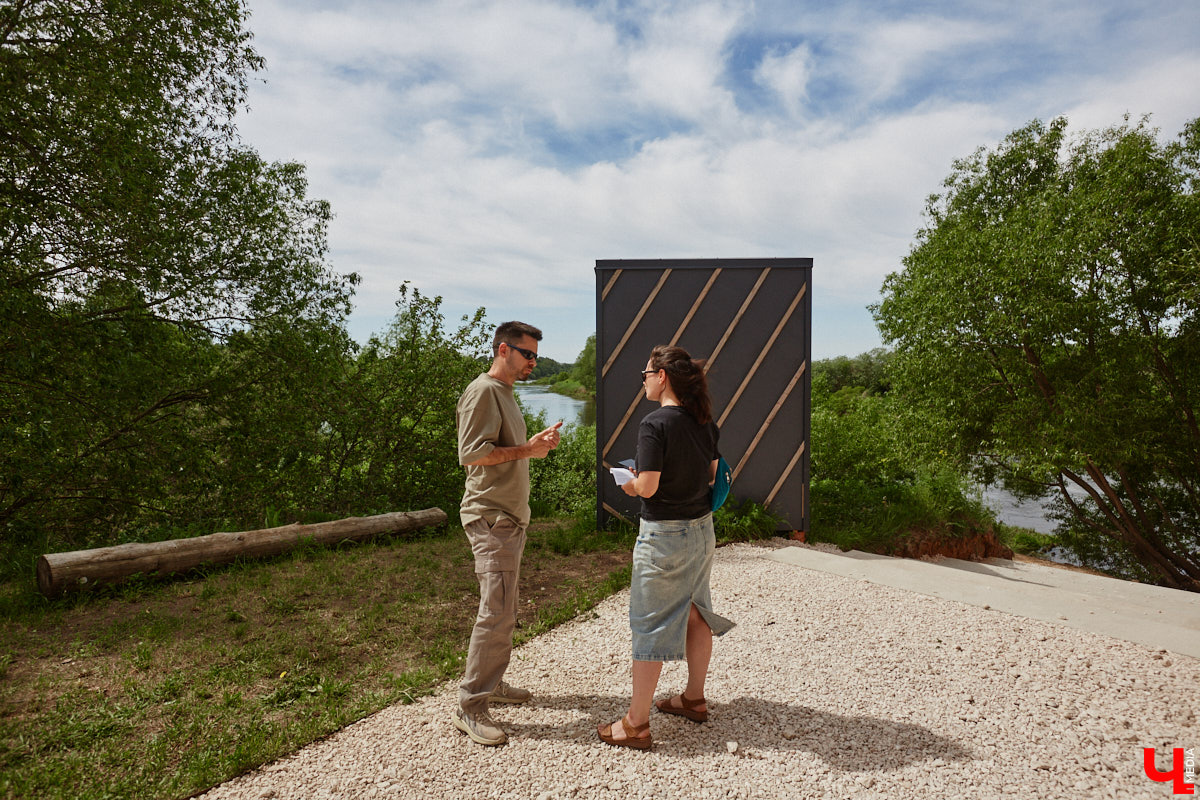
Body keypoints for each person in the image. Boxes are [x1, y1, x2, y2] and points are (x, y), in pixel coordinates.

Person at [598, 344, 735, 751]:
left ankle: (636, 724)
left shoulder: (654, 424)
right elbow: (713, 475)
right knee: (697, 613)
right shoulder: (704, 422)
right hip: (701, 530)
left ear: (662, 377)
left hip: (663, 537)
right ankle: (693, 699)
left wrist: (629, 481)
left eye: (645, 373)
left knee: (650, 625)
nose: (642, 380)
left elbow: (649, 487)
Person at [453, 321, 563, 746]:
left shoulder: (506, 394)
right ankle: (471, 706)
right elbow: (472, 455)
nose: (533, 362)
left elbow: (505, 451)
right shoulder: (483, 391)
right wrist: (526, 450)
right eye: (527, 354)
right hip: (490, 517)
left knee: (504, 610)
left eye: (535, 355)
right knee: (494, 611)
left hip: (510, 519)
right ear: (504, 349)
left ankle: (492, 683)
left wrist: (530, 443)